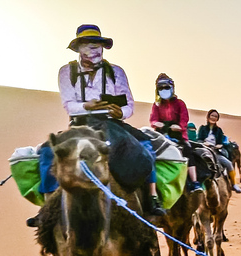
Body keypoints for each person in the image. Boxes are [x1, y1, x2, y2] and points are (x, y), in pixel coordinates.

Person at [52, 24, 165, 216]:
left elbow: (129, 104)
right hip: (81, 125)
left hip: (112, 124)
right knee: (49, 154)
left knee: (146, 146)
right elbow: (69, 104)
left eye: (96, 44)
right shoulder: (66, 72)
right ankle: (50, 208)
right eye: (87, 44)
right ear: (79, 48)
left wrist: (119, 112)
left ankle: (152, 198)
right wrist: (88, 106)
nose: (92, 48)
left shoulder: (116, 72)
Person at [149, 73, 202, 192]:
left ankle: (194, 182)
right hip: (161, 136)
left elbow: (184, 119)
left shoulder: (180, 104)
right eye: (161, 88)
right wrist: (155, 123)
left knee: (188, 150)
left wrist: (179, 126)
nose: (164, 90)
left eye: (166, 87)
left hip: (178, 135)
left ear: (172, 88)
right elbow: (153, 119)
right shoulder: (156, 105)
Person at [197, 109, 241, 193]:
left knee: (228, 164)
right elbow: (199, 139)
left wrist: (218, 146)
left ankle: (234, 184)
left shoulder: (219, 130)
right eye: (212, 115)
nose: (213, 118)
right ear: (208, 116)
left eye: (215, 116)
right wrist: (204, 143)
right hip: (203, 151)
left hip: (215, 152)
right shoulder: (202, 128)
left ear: (217, 119)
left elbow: (221, 143)